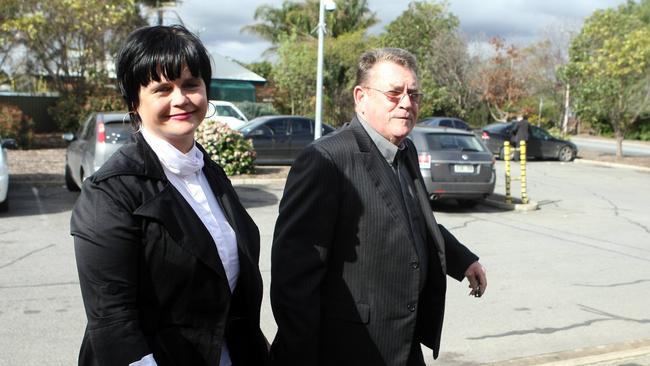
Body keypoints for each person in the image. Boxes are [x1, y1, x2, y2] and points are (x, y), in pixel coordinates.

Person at [270, 47, 487, 366]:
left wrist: (462, 260)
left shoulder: (405, 150)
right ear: (361, 97)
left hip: (403, 345)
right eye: (394, 93)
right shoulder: (326, 161)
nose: (406, 103)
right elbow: (294, 279)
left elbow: (415, 221)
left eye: (413, 94)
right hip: (350, 350)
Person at [71, 25, 269, 366]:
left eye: (191, 84)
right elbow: (112, 318)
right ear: (135, 101)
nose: (181, 99)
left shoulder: (209, 170)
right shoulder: (110, 191)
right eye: (162, 89)